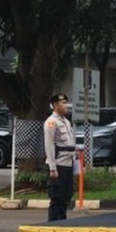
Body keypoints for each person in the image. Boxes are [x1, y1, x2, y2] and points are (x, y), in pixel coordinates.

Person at [43, 94, 76, 222]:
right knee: (57, 196)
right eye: (63, 102)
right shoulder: (51, 122)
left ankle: (62, 223)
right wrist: (52, 168)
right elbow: (49, 145)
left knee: (66, 196)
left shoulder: (66, 121)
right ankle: (52, 223)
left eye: (66, 102)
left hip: (68, 164)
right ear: (55, 105)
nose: (66, 105)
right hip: (58, 165)